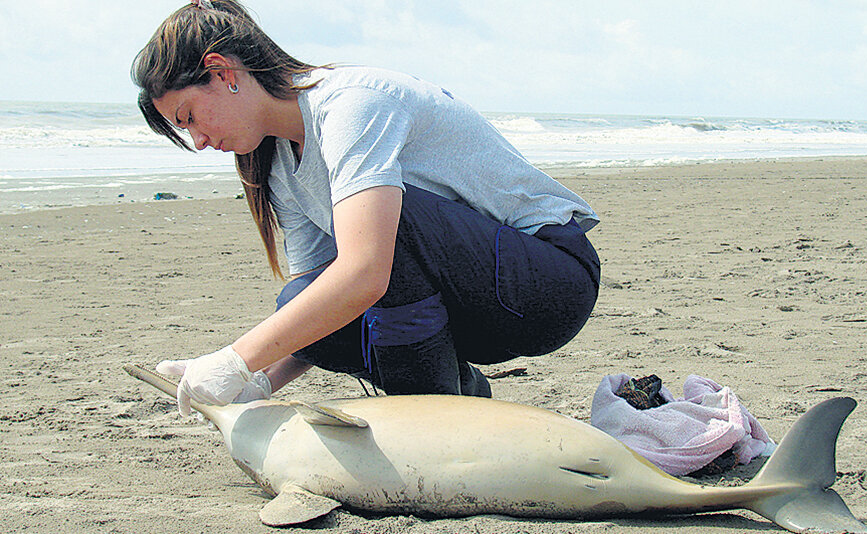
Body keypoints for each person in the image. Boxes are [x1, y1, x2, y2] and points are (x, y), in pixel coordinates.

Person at [133, 0, 600, 416]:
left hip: (547, 281)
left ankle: (430, 414)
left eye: (189, 117)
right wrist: (257, 382)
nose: (198, 141)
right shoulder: (274, 162)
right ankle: (454, 389)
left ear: (223, 72)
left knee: (386, 231)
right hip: (470, 306)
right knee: (297, 303)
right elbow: (323, 302)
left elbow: (366, 272)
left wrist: (236, 357)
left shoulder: (352, 105)